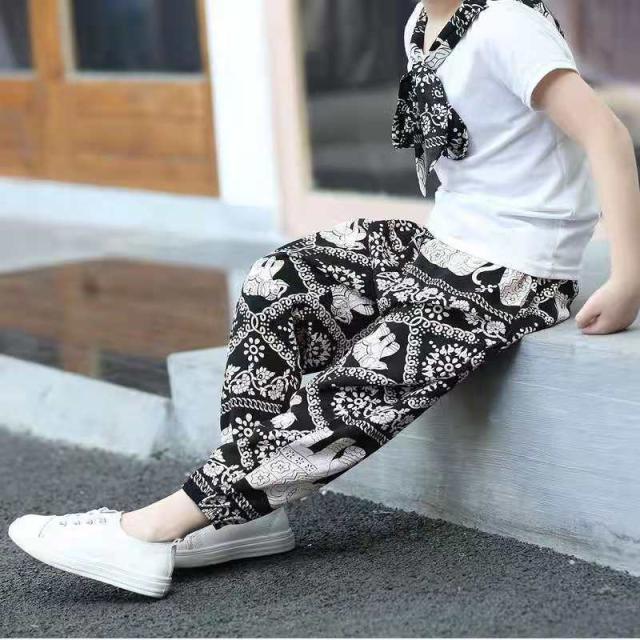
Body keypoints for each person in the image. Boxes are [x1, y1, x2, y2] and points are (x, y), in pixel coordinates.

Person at [8, 0, 640, 599]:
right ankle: (245, 518)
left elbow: (607, 135)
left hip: (514, 274)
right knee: (279, 278)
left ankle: (151, 530)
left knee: (357, 382)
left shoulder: (507, 24)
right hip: (441, 245)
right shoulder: (423, 22)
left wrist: (628, 278)